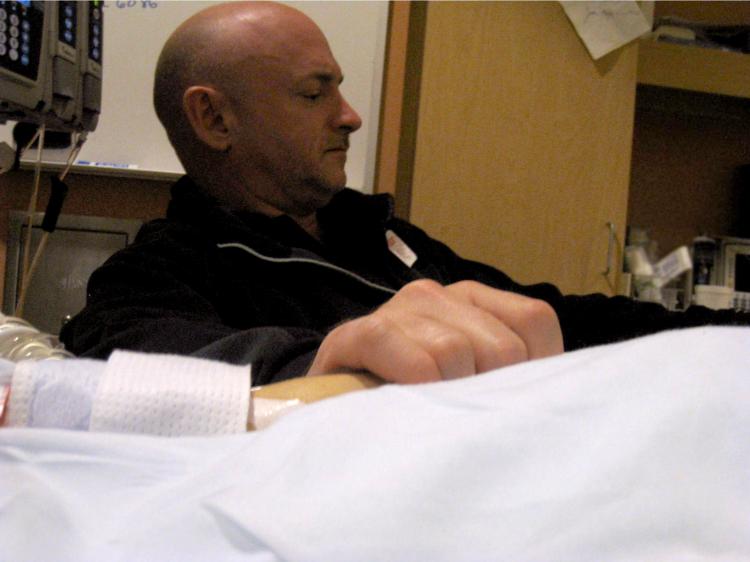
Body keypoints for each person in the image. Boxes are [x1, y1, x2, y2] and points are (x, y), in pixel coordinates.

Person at [60, 1, 746, 387]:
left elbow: (550, 313)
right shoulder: (160, 275)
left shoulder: (381, 236)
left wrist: (719, 335)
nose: (350, 115)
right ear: (215, 119)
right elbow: (139, 368)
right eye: (313, 91)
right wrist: (334, 357)